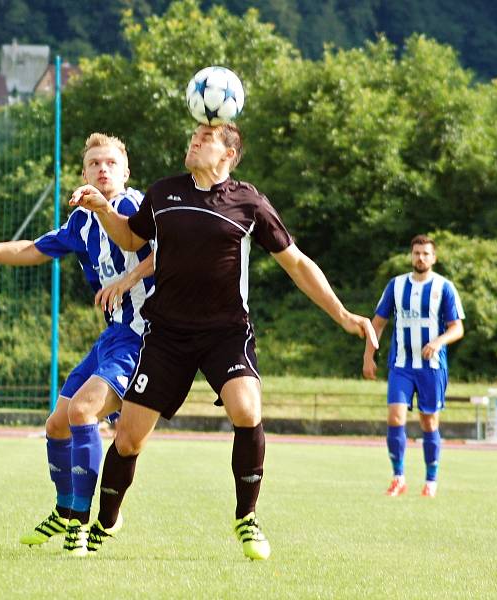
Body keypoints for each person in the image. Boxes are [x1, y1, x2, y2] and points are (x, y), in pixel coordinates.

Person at [69, 122, 377, 561]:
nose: (194, 140)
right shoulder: (163, 192)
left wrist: (344, 315)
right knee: (129, 440)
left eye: (206, 138)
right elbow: (130, 237)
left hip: (226, 332)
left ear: (228, 155)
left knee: (247, 409)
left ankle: (247, 517)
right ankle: (105, 522)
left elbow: (297, 264)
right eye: (194, 134)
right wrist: (102, 207)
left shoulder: (248, 201)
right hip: (167, 334)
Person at [0, 133, 154, 555]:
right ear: (83, 174)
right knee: (57, 423)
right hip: (113, 336)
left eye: (110, 163)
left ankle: (79, 528)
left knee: (86, 413)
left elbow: (171, 251)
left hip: (145, 337)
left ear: (125, 172)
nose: (102, 169)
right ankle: (65, 510)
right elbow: (32, 249)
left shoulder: (135, 208)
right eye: (93, 164)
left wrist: (128, 280)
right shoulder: (82, 222)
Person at [362, 235, 464, 498]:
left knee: (429, 422)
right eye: (417, 253)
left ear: (434, 257)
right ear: (411, 255)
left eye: (426, 253)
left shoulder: (444, 287)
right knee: (395, 418)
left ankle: (431, 481)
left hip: (431, 367)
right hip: (401, 365)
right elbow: (378, 323)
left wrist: (439, 341)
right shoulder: (396, 286)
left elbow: (457, 328)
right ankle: (398, 478)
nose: (421, 257)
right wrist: (368, 356)